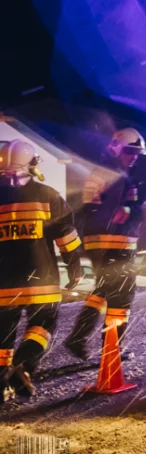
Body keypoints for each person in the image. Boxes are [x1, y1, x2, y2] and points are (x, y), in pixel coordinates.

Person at [65, 129, 146, 360]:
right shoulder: (116, 175)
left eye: (137, 152)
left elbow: (99, 209)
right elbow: (118, 213)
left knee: (103, 291)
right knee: (123, 296)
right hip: (115, 242)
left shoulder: (108, 172)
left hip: (99, 242)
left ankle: (78, 338)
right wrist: (141, 209)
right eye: (130, 151)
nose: (134, 156)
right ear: (118, 149)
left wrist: (135, 207)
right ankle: (112, 349)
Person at [0, 140, 82, 400]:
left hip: (3, 285)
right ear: (32, 163)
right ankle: (23, 364)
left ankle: (0, 383)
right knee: (43, 324)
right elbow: (66, 235)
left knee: (2, 337)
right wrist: (75, 267)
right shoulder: (47, 196)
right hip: (41, 281)